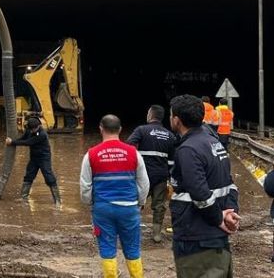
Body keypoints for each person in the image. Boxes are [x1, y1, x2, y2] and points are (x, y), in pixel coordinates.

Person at [168, 95, 240, 277]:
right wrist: (230, 212)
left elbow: (200, 194)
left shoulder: (188, 150)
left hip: (197, 238)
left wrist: (218, 219)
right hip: (215, 239)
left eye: (171, 115)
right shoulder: (213, 142)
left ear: (176, 120)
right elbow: (229, 183)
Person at [80, 115, 149, 278]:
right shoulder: (134, 153)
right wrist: (139, 202)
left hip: (103, 209)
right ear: (120, 130)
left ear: (100, 129)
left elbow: (85, 187)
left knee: (107, 248)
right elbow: (144, 183)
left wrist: (91, 204)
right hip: (129, 209)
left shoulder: (91, 155)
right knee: (132, 249)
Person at [127, 105, 178, 242]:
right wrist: (170, 178)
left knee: (136, 202)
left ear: (150, 115)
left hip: (143, 175)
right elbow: (173, 161)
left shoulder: (141, 130)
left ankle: (132, 232)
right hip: (161, 176)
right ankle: (156, 234)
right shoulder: (170, 135)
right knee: (159, 205)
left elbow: (129, 146)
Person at [4, 117, 61, 206]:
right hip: (34, 157)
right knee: (29, 175)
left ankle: (57, 200)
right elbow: (23, 138)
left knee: (48, 176)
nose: (32, 131)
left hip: (44, 157)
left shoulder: (42, 134)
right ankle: (24, 197)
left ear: (38, 126)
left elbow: (28, 142)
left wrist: (12, 142)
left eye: (34, 129)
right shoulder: (29, 130)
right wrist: (13, 141)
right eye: (31, 129)